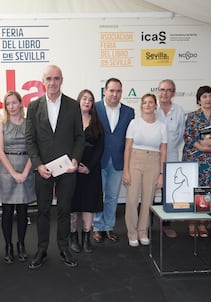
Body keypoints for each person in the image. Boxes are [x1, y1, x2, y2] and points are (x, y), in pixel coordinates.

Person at [25, 65, 85, 269]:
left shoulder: (73, 105)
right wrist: (38, 165)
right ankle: (41, 249)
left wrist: (76, 160)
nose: (52, 82)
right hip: (43, 170)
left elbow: (79, 137)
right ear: (43, 81)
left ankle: (64, 248)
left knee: (64, 210)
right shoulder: (33, 107)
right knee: (42, 211)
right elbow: (30, 140)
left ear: (62, 80)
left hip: (67, 169)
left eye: (56, 78)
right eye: (49, 78)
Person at [0, 91, 36, 263]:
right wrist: (13, 173)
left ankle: (21, 244)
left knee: (23, 210)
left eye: (14, 103)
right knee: (7, 212)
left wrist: (24, 172)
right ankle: (8, 246)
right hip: (6, 170)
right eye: (8, 104)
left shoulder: (30, 125)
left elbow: (34, 150)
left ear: (20, 103)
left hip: (26, 167)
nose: (11, 106)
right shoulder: (0, 125)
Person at [182, 86, 211, 237]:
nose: (208, 99)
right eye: (204, 96)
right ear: (198, 100)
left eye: (210, 96)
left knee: (206, 191)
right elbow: (188, 136)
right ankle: (191, 224)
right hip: (194, 159)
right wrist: (200, 148)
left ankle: (202, 223)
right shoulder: (191, 117)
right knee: (192, 190)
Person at [93, 78, 135, 243]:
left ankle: (108, 227)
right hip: (98, 160)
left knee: (112, 196)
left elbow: (130, 139)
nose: (114, 94)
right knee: (97, 195)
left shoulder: (129, 112)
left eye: (118, 91)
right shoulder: (95, 108)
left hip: (118, 161)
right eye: (111, 90)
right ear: (105, 90)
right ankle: (97, 228)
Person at [123, 94, 167, 247]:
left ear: (155, 106)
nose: (148, 105)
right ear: (141, 106)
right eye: (145, 103)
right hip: (135, 159)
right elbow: (127, 148)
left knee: (148, 200)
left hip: (154, 162)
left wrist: (162, 174)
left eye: (151, 103)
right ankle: (132, 232)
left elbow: (163, 151)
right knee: (132, 199)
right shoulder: (134, 123)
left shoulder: (162, 126)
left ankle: (142, 231)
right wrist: (126, 171)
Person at [69, 89, 104, 254]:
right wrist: (74, 165)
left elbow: (100, 148)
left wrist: (88, 166)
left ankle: (86, 237)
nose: (87, 102)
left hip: (91, 171)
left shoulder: (97, 124)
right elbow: (65, 146)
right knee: (73, 206)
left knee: (88, 205)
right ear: (79, 100)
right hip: (72, 170)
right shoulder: (70, 122)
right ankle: (73, 237)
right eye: (84, 98)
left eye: (90, 99)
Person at [156, 79, 185, 238]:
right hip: (153, 157)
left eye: (168, 90)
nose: (164, 93)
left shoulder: (179, 111)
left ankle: (166, 225)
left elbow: (180, 135)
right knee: (149, 191)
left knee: (169, 193)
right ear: (157, 91)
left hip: (172, 156)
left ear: (173, 93)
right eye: (162, 90)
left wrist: (169, 148)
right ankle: (146, 225)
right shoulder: (152, 109)